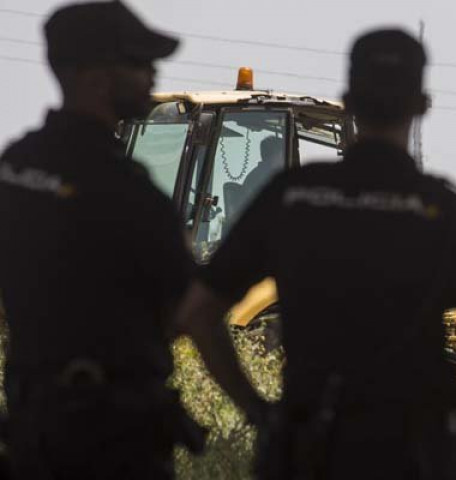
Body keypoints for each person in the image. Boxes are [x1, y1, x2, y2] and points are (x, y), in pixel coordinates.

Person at [174, 28, 456, 479]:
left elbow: (197, 312)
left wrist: (257, 410)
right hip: (418, 451)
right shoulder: (451, 212)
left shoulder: (291, 198)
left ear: (348, 99)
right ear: (421, 105)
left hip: (311, 447)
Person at [0, 2, 264, 477]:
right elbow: (196, 316)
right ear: (97, 78)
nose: (151, 73)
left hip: (32, 427)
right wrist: (257, 409)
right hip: (114, 442)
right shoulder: (128, 194)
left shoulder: (15, 167)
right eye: (139, 62)